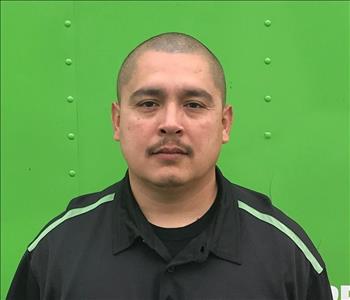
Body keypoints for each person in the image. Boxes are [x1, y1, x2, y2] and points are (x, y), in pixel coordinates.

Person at [7, 32, 333, 300]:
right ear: (118, 121)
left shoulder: (286, 256)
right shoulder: (57, 252)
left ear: (224, 123)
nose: (171, 123)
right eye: (149, 103)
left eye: (193, 104)